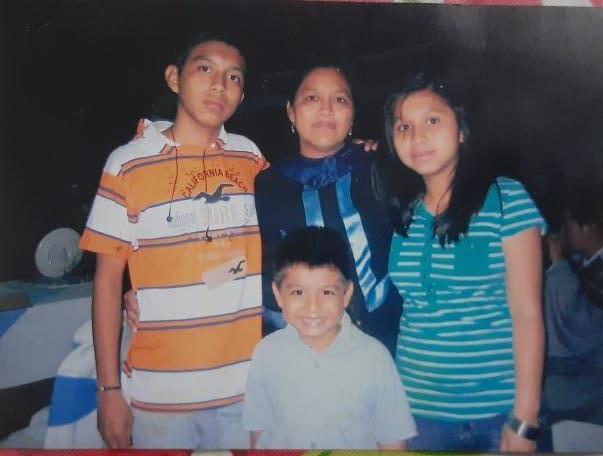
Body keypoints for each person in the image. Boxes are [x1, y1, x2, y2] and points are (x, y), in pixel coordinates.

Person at [79, 33, 267, 449]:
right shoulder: (127, 163)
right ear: (174, 78)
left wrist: (365, 150)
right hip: (159, 393)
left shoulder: (249, 157)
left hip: (247, 389)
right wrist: (108, 391)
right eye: (205, 68)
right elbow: (107, 280)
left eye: (233, 76)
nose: (219, 84)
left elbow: (252, 252)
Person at [375, 73, 546, 452]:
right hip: (416, 413)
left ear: (462, 130)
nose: (417, 136)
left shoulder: (505, 198)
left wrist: (525, 418)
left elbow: (528, 314)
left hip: (496, 413)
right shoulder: (405, 213)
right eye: (404, 127)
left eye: (432, 121)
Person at [255, 65, 402, 355]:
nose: (326, 109)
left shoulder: (382, 169)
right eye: (312, 98)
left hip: (389, 342)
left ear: (352, 115)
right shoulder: (266, 187)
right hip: (306, 350)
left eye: (339, 99)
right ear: (291, 112)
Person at [242, 226, 417, 449]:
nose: (313, 307)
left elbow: (393, 442)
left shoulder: (375, 358)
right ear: (278, 294)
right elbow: (258, 432)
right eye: (298, 292)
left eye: (327, 292)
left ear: (346, 294)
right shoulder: (266, 353)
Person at [539, 181, 603, 433]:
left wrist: (558, 266)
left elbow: (582, 322)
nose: (564, 234)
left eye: (568, 226)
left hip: (591, 396)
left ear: (586, 227)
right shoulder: (583, 264)